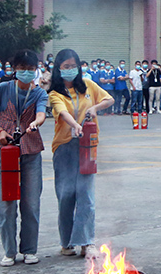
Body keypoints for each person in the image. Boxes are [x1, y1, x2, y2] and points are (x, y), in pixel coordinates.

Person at [0, 50, 48, 267]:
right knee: (6, 202)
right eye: (22, 69)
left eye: (31, 69)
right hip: (4, 148)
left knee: (31, 202)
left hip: (30, 148)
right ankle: (9, 251)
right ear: (14, 70)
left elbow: (41, 114)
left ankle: (29, 249)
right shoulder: (3, 88)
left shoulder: (39, 93)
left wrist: (36, 123)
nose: (27, 73)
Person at [48, 49, 113, 258]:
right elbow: (62, 112)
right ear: (58, 69)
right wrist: (76, 124)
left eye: (73, 66)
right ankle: (66, 242)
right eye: (65, 66)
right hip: (64, 147)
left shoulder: (88, 86)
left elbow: (109, 99)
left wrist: (95, 108)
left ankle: (86, 242)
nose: (70, 70)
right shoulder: (55, 93)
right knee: (66, 195)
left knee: (86, 194)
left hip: (87, 145)